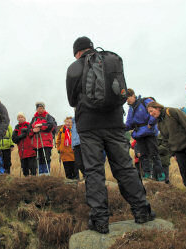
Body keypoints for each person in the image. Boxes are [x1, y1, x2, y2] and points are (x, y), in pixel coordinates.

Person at [66, 36, 155, 234]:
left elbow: (72, 100)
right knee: (124, 167)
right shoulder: (110, 62)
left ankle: (100, 221)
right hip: (115, 123)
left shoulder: (74, 68)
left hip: (89, 126)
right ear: (91, 47)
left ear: (78, 52)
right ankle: (142, 211)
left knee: (94, 171)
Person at [147, 101, 186, 188]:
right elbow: (166, 140)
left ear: (158, 108)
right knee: (183, 170)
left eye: (151, 111)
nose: (151, 114)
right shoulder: (159, 123)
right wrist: (172, 153)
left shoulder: (172, 112)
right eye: (149, 112)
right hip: (177, 149)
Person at [125, 89, 165, 181]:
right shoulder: (131, 109)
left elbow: (154, 111)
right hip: (139, 134)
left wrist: (151, 124)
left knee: (154, 154)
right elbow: (129, 122)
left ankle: (159, 174)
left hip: (149, 132)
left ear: (133, 95)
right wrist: (121, 128)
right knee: (143, 155)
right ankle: (147, 174)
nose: (127, 101)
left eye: (128, 98)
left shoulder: (145, 101)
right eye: (126, 99)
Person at [29, 102, 56, 176]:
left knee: (46, 158)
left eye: (42, 108)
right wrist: (33, 130)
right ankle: (41, 174)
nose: (40, 109)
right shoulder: (34, 119)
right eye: (38, 108)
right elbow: (29, 129)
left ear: (44, 108)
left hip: (46, 142)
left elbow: (51, 126)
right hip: (37, 142)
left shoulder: (48, 116)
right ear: (36, 109)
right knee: (39, 159)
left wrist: (41, 126)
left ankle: (47, 174)